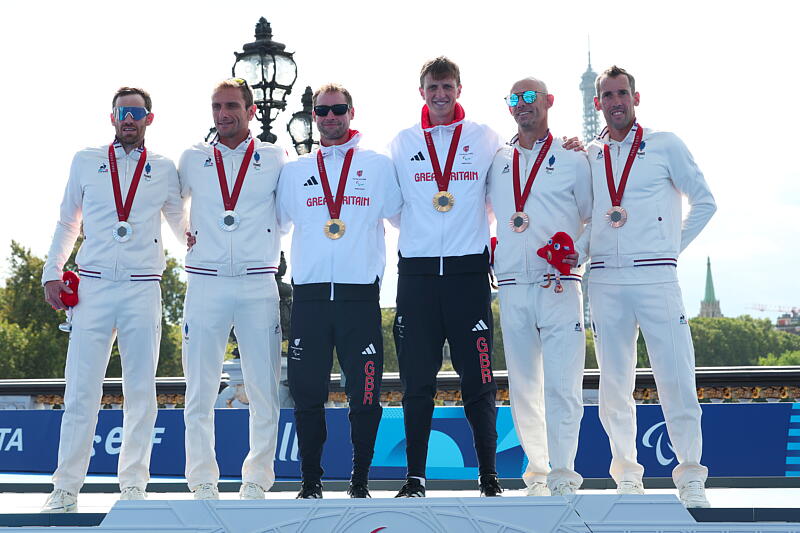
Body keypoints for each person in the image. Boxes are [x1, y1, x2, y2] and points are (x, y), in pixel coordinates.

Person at [40, 87, 186, 512]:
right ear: (112, 117)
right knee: (81, 390)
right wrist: (52, 272)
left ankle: (134, 484)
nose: (129, 119)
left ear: (149, 119)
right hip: (94, 286)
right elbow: (68, 220)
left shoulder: (163, 168)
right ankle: (66, 486)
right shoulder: (85, 160)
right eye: (123, 112)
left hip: (143, 286)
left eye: (137, 113)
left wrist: (204, 242)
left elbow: (181, 223)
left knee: (141, 391)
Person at [587, 66, 716, 508]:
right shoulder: (588, 153)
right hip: (605, 278)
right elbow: (584, 217)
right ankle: (626, 475)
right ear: (597, 102)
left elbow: (705, 200)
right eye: (608, 94)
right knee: (614, 384)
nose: (616, 100)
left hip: (657, 275)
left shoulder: (665, 144)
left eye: (622, 93)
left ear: (635, 98)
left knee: (677, 377)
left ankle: (691, 478)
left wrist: (670, 248)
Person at [277, 84, 402, 499]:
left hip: (359, 297)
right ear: (314, 116)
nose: (330, 117)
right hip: (310, 298)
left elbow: (409, 218)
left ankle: (359, 481)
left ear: (352, 112)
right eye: (322, 110)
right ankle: (310, 482)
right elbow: (270, 226)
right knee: (307, 394)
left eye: (338, 109)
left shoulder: (378, 166)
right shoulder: (294, 172)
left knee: (364, 395)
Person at [389, 57, 504, 497]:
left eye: (447, 87)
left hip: (467, 275)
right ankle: (415, 477)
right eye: (433, 88)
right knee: (417, 382)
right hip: (417, 275)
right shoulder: (402, 142)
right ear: (422, 92)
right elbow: (397, 207)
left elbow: (495, 196)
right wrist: (425, 233)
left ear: (459, 89)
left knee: (479, 379)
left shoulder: (484, 137)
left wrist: (463, 231)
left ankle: (489, 475)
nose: (440, 95)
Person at [178, 78, 286, 500]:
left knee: (263, 387)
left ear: (251, 109)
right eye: (217, 106)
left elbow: (290, 212)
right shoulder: (192, 158)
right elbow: (168, 203)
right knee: (199, 389)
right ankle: (202, 479)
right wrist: (183, 232)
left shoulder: (276, 157)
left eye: (232, 106)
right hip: (204, 282)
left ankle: (257, 479)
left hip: (258, 281)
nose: (223, 114)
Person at [486, 77, 592, 497]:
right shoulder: (496, 160)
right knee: (524, 387)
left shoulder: (572, 158)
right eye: (514, 98)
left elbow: (594, 215)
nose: (522, 104)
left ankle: (564, 474)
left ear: (549, 101)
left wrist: (576, 254)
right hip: (512, 286)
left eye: (531, 97)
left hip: (559, 283)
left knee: (563, 385)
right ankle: (538, 472)